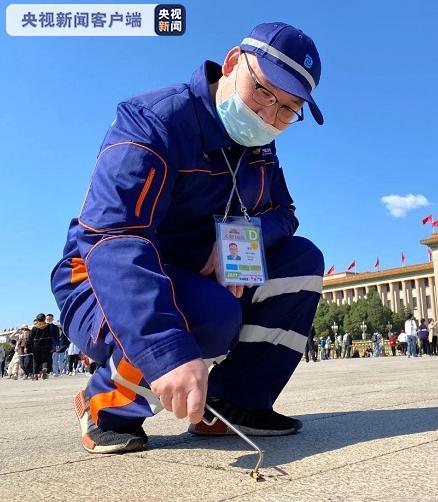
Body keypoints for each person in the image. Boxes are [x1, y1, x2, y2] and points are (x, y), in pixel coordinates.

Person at [50, 22, 326, 453]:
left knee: (302, 261)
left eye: (288, 109)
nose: (269, 116)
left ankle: (232, 403)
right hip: (98, 277)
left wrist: (242, 238)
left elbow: (283, 213)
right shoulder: (154, 121)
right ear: (233, 63)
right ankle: (107, 404)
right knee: (212, 312)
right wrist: (167, 347)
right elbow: (114, 236)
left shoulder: (261, 149)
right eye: (264, 92)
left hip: (195, 271)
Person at [29, 314, 58, 379]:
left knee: (36, 361)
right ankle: (44, 370)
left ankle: (35, 375)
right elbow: (52, 335)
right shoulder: (48, 326)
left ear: (37, 319)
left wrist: (30, 346)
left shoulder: (34, 328)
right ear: (44, 319)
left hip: (36, 346)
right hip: (46, 345)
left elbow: (30, 338)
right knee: (45, 359)